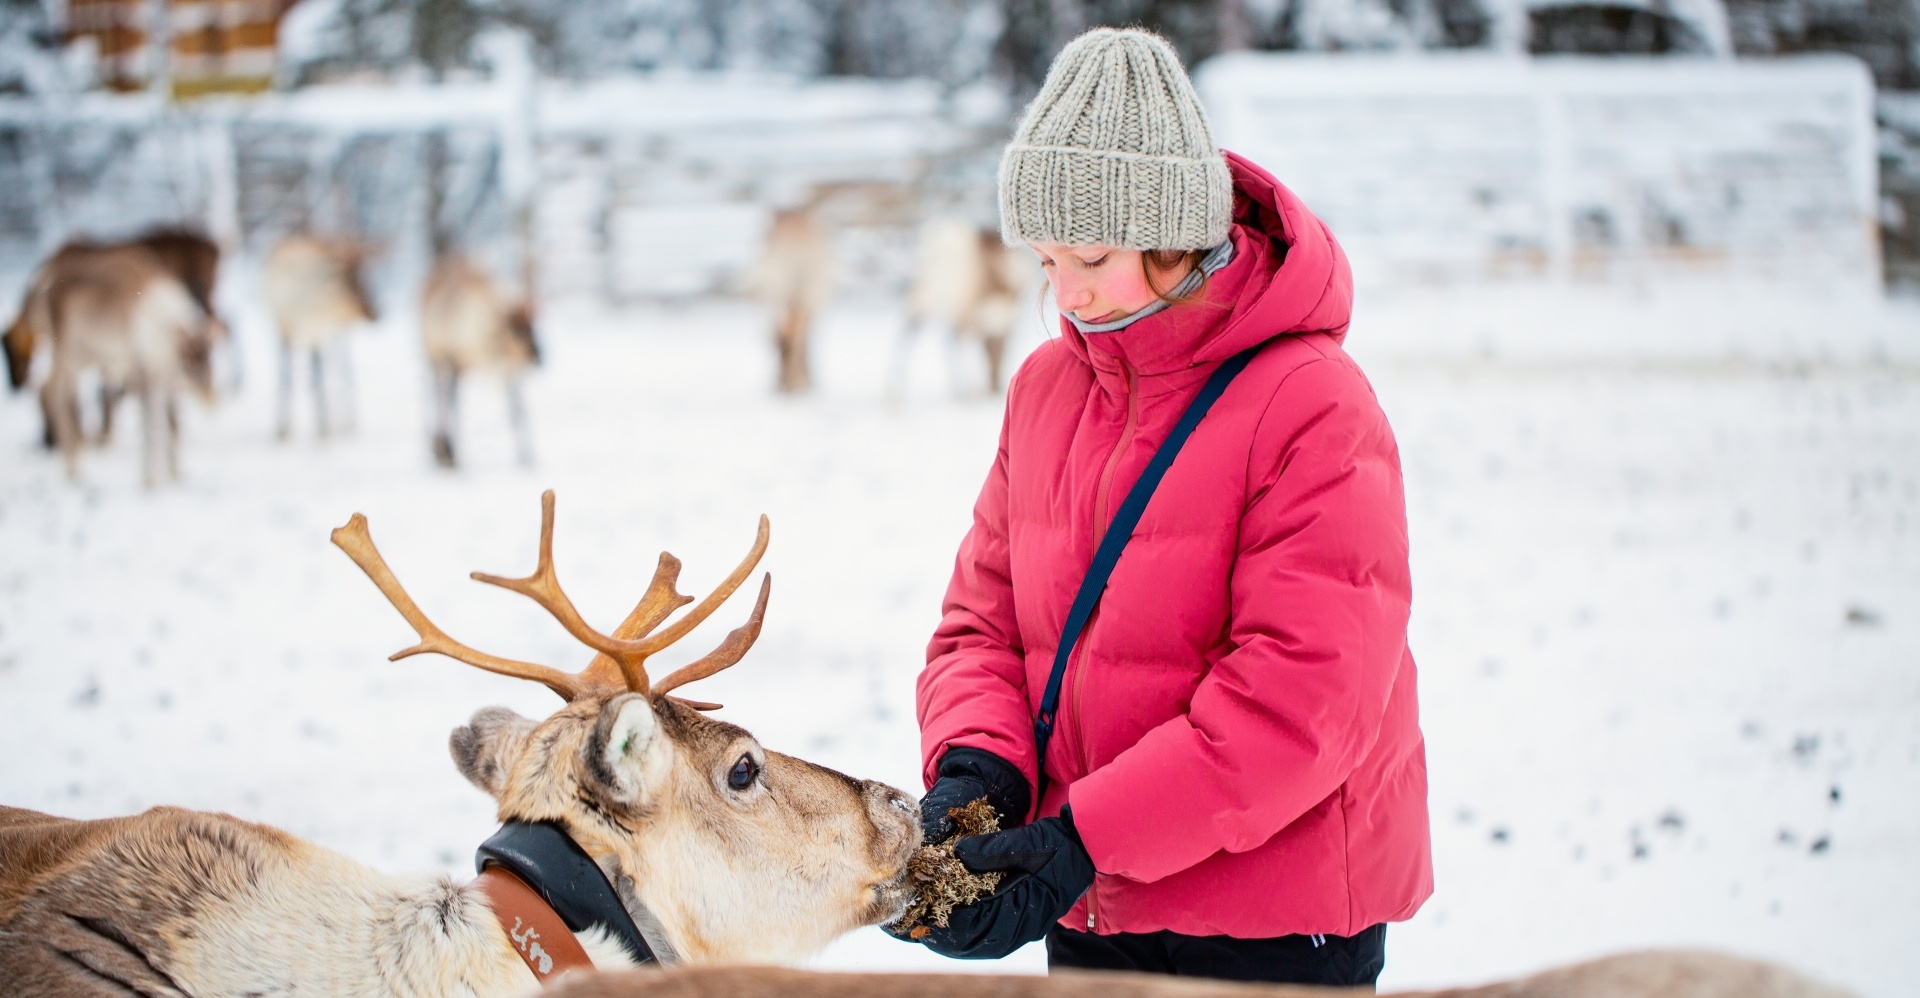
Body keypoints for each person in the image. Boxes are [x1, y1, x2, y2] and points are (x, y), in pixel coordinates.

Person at [890, 27, 1432, 988]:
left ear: (1176, 232)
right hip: (1095, 911)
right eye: (1047, 261)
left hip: (1268, 922)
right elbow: (981, 623)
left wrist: (1084, 839)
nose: (1068, 293)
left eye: (1091, 256)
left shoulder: (1313, 404)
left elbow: (1303, 698)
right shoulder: (1046, 390)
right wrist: (981, 773)